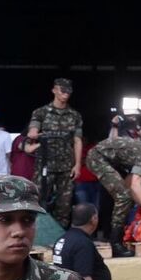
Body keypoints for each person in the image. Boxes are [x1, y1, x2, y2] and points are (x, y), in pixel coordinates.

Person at [27, 77, 83, 229]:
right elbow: (33, 129)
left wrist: (77, 165)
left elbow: (77, 141)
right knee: (37, 201)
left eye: (68, 91)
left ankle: (59, 238)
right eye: (62, 90)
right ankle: (36, 236)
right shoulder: (41, 112)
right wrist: (33, 132)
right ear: (54, 91)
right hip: (44, 166)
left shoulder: (74, 115)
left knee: (64, 206)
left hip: (66, 166)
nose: (66, 94)